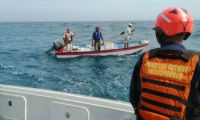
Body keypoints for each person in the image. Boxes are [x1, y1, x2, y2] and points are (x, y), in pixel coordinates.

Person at [129, 7, 200, 120]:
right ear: (186, 33)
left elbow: (133, 97)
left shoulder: (145, 58)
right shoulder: (196, 61)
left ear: (159, 33)